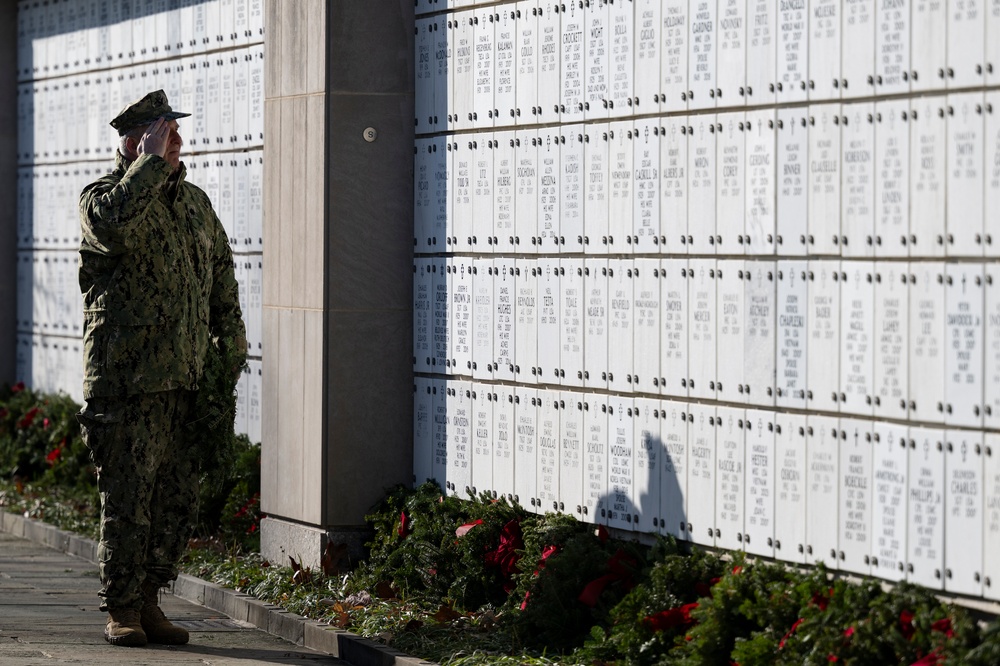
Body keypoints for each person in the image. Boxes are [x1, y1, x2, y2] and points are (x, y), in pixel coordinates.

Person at [77, 90, 246, 647]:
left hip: (187, 378)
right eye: (163, 133)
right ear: (132, 141)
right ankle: (121, 609)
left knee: (173, 501)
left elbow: (220, 275)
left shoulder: (195, 204)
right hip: (127, 383)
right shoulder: (101, 198)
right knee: (127, 501)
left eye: (174, 133)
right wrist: (147, 166)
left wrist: (231, 350)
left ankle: (151, 602)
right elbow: (116, 228)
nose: (176, 141)